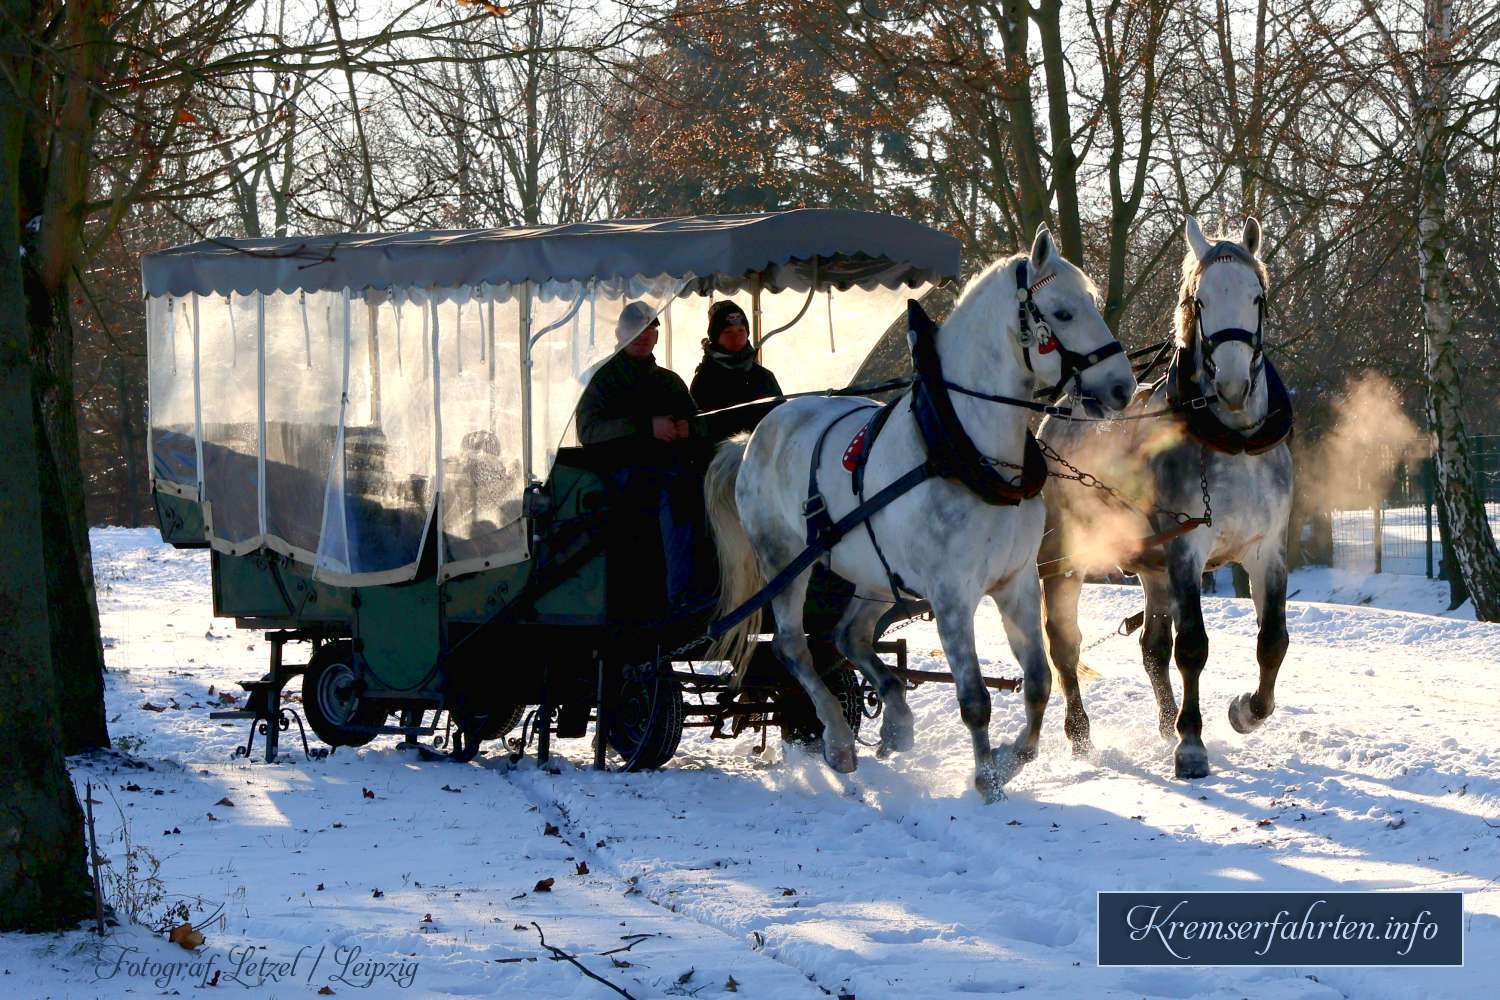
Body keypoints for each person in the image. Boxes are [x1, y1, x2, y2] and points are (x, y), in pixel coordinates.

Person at [575, 302, 705, 610]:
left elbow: (701, 422)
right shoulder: (600, 379)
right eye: (635, 329)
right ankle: (681, 600)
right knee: (672, 498)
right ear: (619, 333)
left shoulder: (669, 382)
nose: (643, 336)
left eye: (649, 330)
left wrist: (690, 429)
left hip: (670, 469)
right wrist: (646, 427)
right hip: (614, 474)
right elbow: (589, 431)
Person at [690, 301, 784, 440]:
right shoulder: (704, 380)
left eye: (741, 330)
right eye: (728, 332)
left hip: (764, 454)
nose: (736, 337)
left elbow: (781, 418)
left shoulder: (764, 376)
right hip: (721, 457)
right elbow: (698, 429)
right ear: (716, 337)